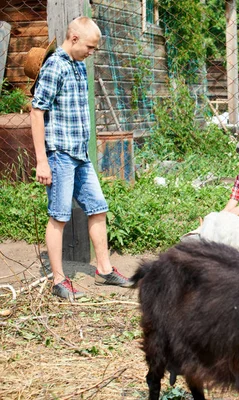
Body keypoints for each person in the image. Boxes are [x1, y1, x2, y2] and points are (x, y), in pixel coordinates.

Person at [30, 16, 132, 300]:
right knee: (59, 215)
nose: (92, 52)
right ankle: (59, 280)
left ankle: (104, 269)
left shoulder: (77, 65)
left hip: (80, 154)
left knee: (97, 206)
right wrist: (42, 160)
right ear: (73, 39)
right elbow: (37, 112)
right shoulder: (55, 66)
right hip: (60, 154)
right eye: (89, 46)